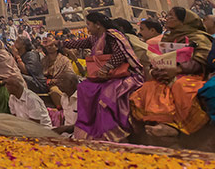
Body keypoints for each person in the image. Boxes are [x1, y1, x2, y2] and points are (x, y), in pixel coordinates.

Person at [130, 7, 212, 136]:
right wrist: (156, 71)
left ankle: (179, 126)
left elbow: (202, 60)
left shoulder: (198, 37)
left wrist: (177, 69)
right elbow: (157, 58)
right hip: (168, 73)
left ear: (183, 21)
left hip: (192, 74)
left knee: (181, 86)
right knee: (150, 87)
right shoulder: (168, 38)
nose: (166, 19)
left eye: (171, 17)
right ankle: (162, 123)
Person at [62, 12, 143, 141]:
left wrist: (106, 68)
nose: (87, 28)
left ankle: (108, 130)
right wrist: (60, 44)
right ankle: (89, 128)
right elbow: (77, 44)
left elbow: (120, 54)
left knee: (106, 94)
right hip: (102, 77)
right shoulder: (94, 38)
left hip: (119, 76)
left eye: (89, 24)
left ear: (98, 25)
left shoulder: (112, 35)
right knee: (83, 87)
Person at [40, 37, 74, 108]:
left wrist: (56, 81)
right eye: (47, 46)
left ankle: (63, 108)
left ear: (57, 47)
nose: (49, 47)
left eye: (51, 45)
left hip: (60, 84)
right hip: (45, 84)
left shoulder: (64, 60)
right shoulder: (44, 60)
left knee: (54, 90)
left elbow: (70, 75)